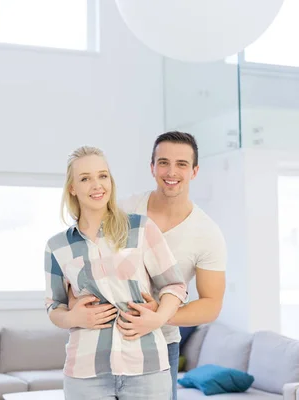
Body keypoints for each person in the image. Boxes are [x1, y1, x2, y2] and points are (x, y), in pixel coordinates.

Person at [69, 132, 227, 400]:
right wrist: (74, 306)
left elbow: (212, 303)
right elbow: (79, 262)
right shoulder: (121, 211)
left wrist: (158, 316)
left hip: (162, 344)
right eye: (163, 162)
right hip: (105, 342)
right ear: (152, 167)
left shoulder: (207, 233)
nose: (171, 171)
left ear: (194, 171)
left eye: (182, 164)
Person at [44, 145, 188, 400]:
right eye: (85, 178)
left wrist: (158, 319)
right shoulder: (58, 246)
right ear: (72, 188)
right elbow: (54, 305)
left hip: (146, 368)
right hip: (85, 373)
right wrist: (74, 318)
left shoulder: (140, 228)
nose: (97, 185)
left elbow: (175, 285)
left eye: (102, 175)